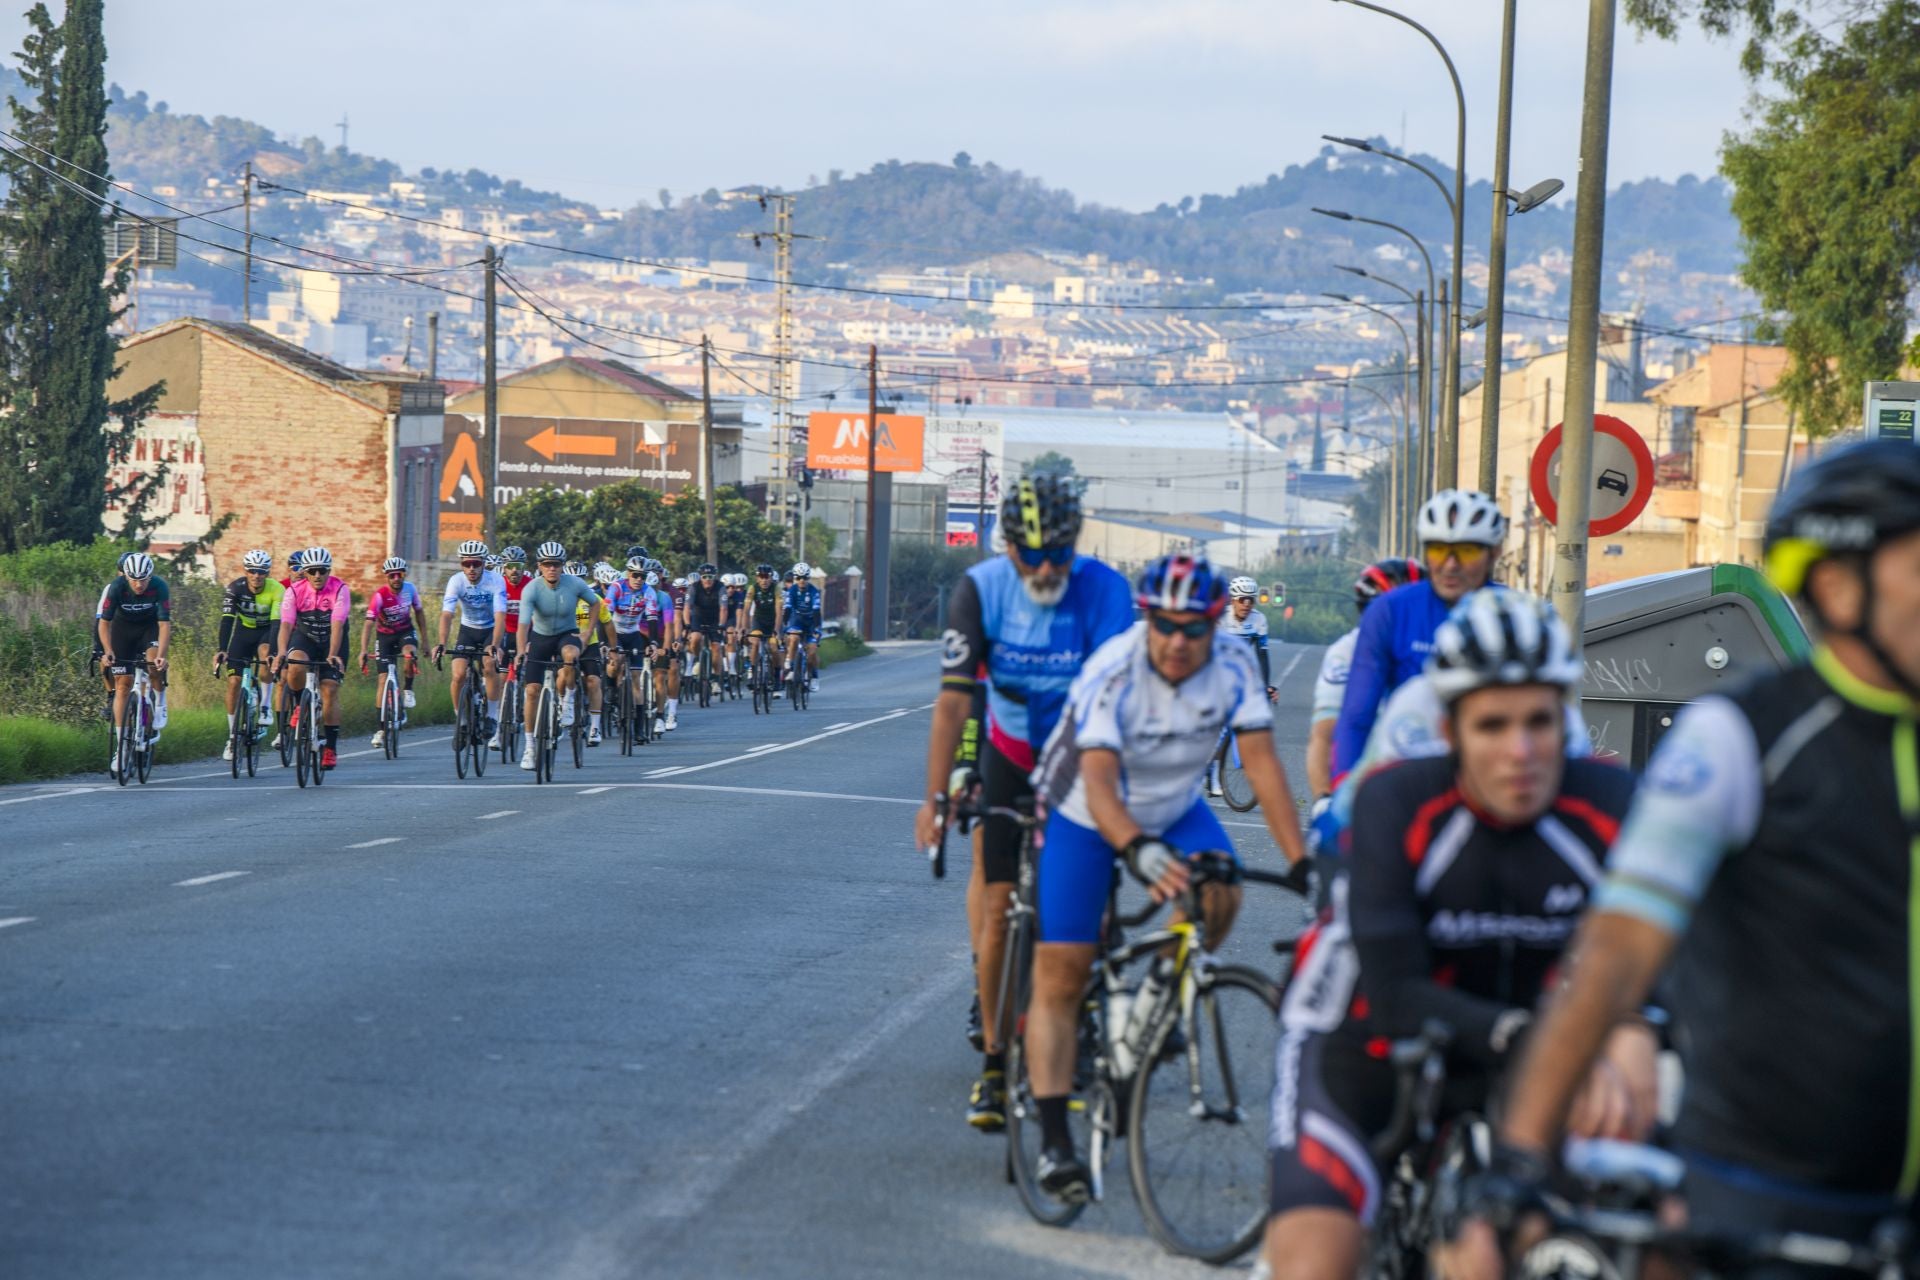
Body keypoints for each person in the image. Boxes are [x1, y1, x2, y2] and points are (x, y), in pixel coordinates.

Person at [1461, 440, 1920, 1271]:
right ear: (1838, 586)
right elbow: (1615, 955)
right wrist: (1518, 1167)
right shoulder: (1742, 738)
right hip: (1761, 1202)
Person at [1264, 591, 1653, 1280]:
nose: (1520, 751)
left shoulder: (1608, 804)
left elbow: (1664, 959)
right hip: (1363, 1038)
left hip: (1520, 1044)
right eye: (1492, 725)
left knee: (1604, 1236)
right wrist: (1551, 1037)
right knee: (1316, 1264)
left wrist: (1635, 1026)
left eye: (1539, 721)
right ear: (1449, 731)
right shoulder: (1397, 800)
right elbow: (1396, 994)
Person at [1024, 555, 1312, 1201]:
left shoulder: (1234, 663)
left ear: (1216, 624)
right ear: (1147, 619)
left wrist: (1302, 863)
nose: (1179, 641)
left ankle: (1152, 1002)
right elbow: (1099, 783)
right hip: (1084, 809)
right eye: (1165, 625)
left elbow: (1263, 765)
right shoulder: (1114, 667)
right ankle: (1054, 1141)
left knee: (1221, 892)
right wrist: (1137, 851)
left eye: (1195, 628)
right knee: (1063, 971)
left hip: (1175, 804)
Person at [912, 474, 1135, 1133]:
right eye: (1030, 554)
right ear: (1007, 546)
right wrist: (938, 795)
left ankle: (1082, 1008)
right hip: (1008, 748)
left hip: (1084, 750)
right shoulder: (980, 589)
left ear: (1076, 544)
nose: (1044, 568)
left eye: (1057, 554)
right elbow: (955, 702)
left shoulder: (1106, 591)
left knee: (1090, 900)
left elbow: (1119, 700)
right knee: (1000, 904)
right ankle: (994, 1061)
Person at [1330, 490, 1507, 782]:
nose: (1450, 565)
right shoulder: (1390, 611)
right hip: (1406, 768)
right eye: (1438, 550)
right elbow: (1357, 717)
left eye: (1466, 552)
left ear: (1494, 553)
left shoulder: (1517, 615)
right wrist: (1343, 789)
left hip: (1489, 776)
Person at [1307, 559, 1423, 800]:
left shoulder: (1445, 643)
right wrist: (1324, 799)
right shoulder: (1345, 653)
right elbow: (1324, 737)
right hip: (1368, 781)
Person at [515, 542, 608, 769]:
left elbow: (595, 604)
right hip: (541, 637)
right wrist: (520, 651)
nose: (552, 568)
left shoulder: (574, 584)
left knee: (571, 654)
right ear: (540, 566)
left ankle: (568, 699)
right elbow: (523, 624)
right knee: (532, 691)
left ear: (562, 566)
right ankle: (529, 747)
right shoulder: (532, 589)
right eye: (547, 564)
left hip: (567, 634)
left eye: (556, 564)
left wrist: (587, 633)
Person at [274, 546, 352, 770]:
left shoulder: (340, 589)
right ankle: (300, 705)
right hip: (306, 637)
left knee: (329, 689)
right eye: (312, 571)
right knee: (294, 666)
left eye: (322, 570)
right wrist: (281, 652)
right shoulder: (294, 591)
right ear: (305, 573)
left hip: (332, 640)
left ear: (329, 571)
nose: (318, 575)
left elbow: (337, 624)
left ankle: (331, 748)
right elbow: (286, 624)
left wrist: (332, 654)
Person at [97, 551, 172, 776]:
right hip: (123, 630)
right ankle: (121, 748)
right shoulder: (116, 587)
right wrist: (108, 650)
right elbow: (104, 623)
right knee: (122, 685)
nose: (139, 585)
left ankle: (160, 702)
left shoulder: (159, 586)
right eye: (134, 580)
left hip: (149, 629)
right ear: (126, 577)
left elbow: (164, 625)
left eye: (143, 580)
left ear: (150, 576)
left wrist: (162, 654)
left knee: (153, 664)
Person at [1209, 574, 1279, 797]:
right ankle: (1213, 774)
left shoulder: (1259, 620)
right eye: (1242, 600)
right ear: (1232, 600)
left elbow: (1262, 655)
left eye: (1251, 600)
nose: (1247, 604)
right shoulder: (1220, 618)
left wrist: (1265, 686)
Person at [434, 540, 507, 747]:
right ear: (461, 565)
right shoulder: (456, 581)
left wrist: (495, 644)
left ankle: (491, 716)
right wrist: (441, 643)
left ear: (484, 563)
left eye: (476, 563)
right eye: (467, 564)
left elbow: (500, 616)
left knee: (489, 666)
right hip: (468, 630)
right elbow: (447, 615)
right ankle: (462, 721)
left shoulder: (495, 580)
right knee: (458, 674)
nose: (472, 568)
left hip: (490, 629)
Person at [214, 548, 283, 760]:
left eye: (261, 571)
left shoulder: (277, 589)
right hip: (243, 633)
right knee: (233, 682)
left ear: (267, 573)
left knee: (265, 654)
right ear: (245, 571)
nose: (256, 575)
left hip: (266, 632)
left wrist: (273, 652)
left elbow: (276, 624)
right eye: (252, 570)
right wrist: (222, 649)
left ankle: (265, 706)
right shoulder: (235, 588)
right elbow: (227, 620)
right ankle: (232, 736)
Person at [361, 556, 427, 746]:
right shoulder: (380, 595)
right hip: (385, 637)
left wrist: (426, 642)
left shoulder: (410, 590)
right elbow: (368, 623)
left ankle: (408, 690)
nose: (396, 578)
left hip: (405, 633)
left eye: (400, 574)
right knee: (382, 681)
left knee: (409, 655)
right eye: (392, 575)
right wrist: (363, 650)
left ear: (404, 575)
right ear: (387, 577)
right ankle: (381, 729)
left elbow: (419, 613)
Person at [490, 546, 530, 749]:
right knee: (501, 679)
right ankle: (497, 731)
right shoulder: (498, 584)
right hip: (505, 632)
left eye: (518, 566)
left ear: (523, 567)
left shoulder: (530, 585)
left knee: (529, 676)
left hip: (527, 632)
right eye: (510, 566)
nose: (514, 570)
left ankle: (523, 703)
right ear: (504, 568)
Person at [577, 563, 619, 745]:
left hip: (590, 644)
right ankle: (564, 705)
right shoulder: (559, 598)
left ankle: (595, 728)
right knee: (562, 676)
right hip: (566, 643)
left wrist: (612, 648)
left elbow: (607, 623)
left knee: (594, 681)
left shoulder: (594, 599)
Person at [781, 562, 823, 693]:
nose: (801, 580)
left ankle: (814, 676)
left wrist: (816, 629)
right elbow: (788, 609)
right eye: (798, 578)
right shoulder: (792, 590)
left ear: (808, 578)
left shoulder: (814, 591)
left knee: (812, 652)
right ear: (795, 578)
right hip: (796, 620)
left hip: (811, 621)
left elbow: (816, 611)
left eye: (804, 577)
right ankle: (790, 663)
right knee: (793, 639)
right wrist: (784, 625)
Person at [686, 563, 725, 697]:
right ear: (700, 577)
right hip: (698, 617)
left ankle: (715, 679)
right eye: (704, 577)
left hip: (714, 618)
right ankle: (698, 660)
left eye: (710, 577)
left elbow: (724, 608)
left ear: (715, 577)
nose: (707, 579)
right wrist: (687, 624)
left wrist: (721, 624)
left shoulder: (720, 587)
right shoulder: (694, 587)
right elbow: (687, 607)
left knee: (716, 647)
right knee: (695, 638)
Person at [743, 563, 782, 694]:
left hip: (772, 622)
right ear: (757, 578)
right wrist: (745, 628)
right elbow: (746, 610)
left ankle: (777, 676)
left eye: (767, 577)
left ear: (771, 578)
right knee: (754, 643)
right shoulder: (752, 588)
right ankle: (753, 671)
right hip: (758, 621)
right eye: (761, 577)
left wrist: (776, 630)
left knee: (774, 648)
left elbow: (779, 611)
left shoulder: (776, 589)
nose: (764, 580)